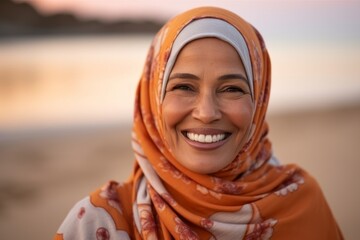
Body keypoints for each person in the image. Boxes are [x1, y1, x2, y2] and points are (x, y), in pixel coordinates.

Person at [54, 6, 343, 240]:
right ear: (153, 101)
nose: (206, 113)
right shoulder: (96, 224)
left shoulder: (302, 204)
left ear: (259, 100)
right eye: (184, 87)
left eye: (232, 89)